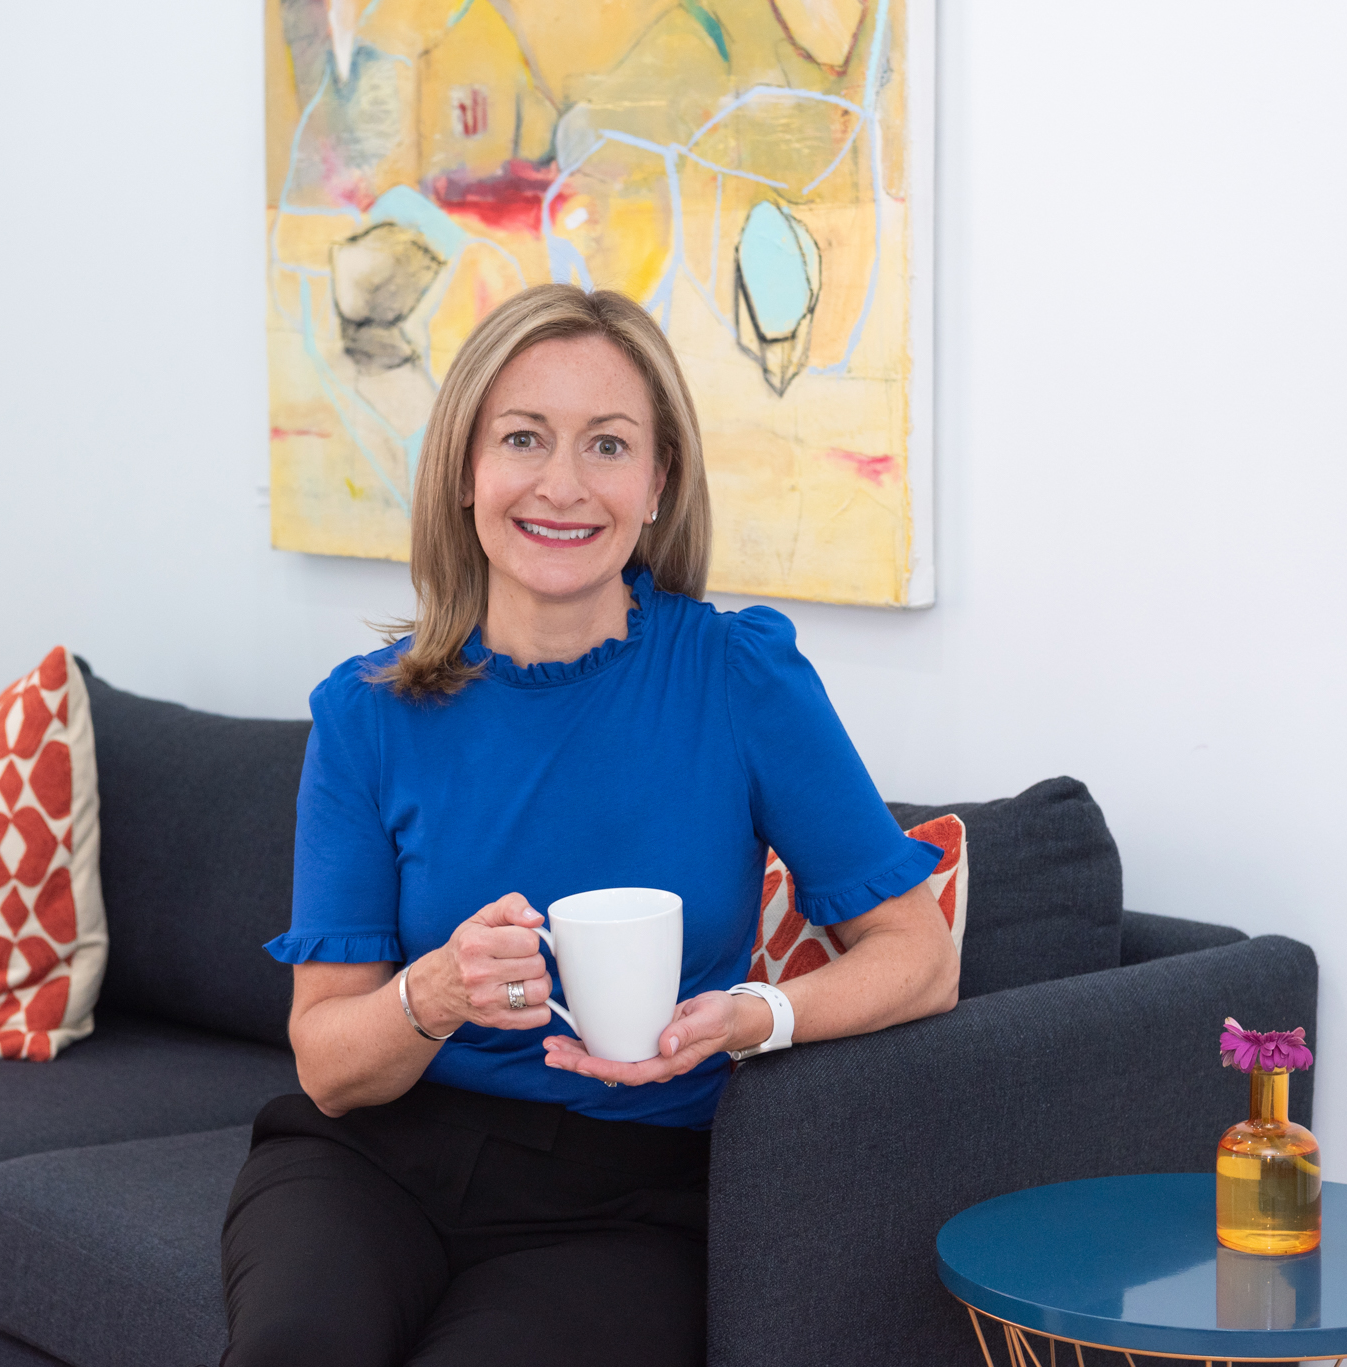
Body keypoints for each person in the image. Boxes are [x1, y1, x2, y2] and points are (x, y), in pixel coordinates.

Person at [222, 284, 960, 1367]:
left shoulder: (737, 676)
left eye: (607, 444)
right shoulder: (364, 712)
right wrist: (431, 992)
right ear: (466, 472)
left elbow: (920, 959)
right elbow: (328, 1064)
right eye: (522, 437)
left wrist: (756, 1014)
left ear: (658, 481)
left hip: (627, 1194)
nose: (561, 484)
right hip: (369, 1162)